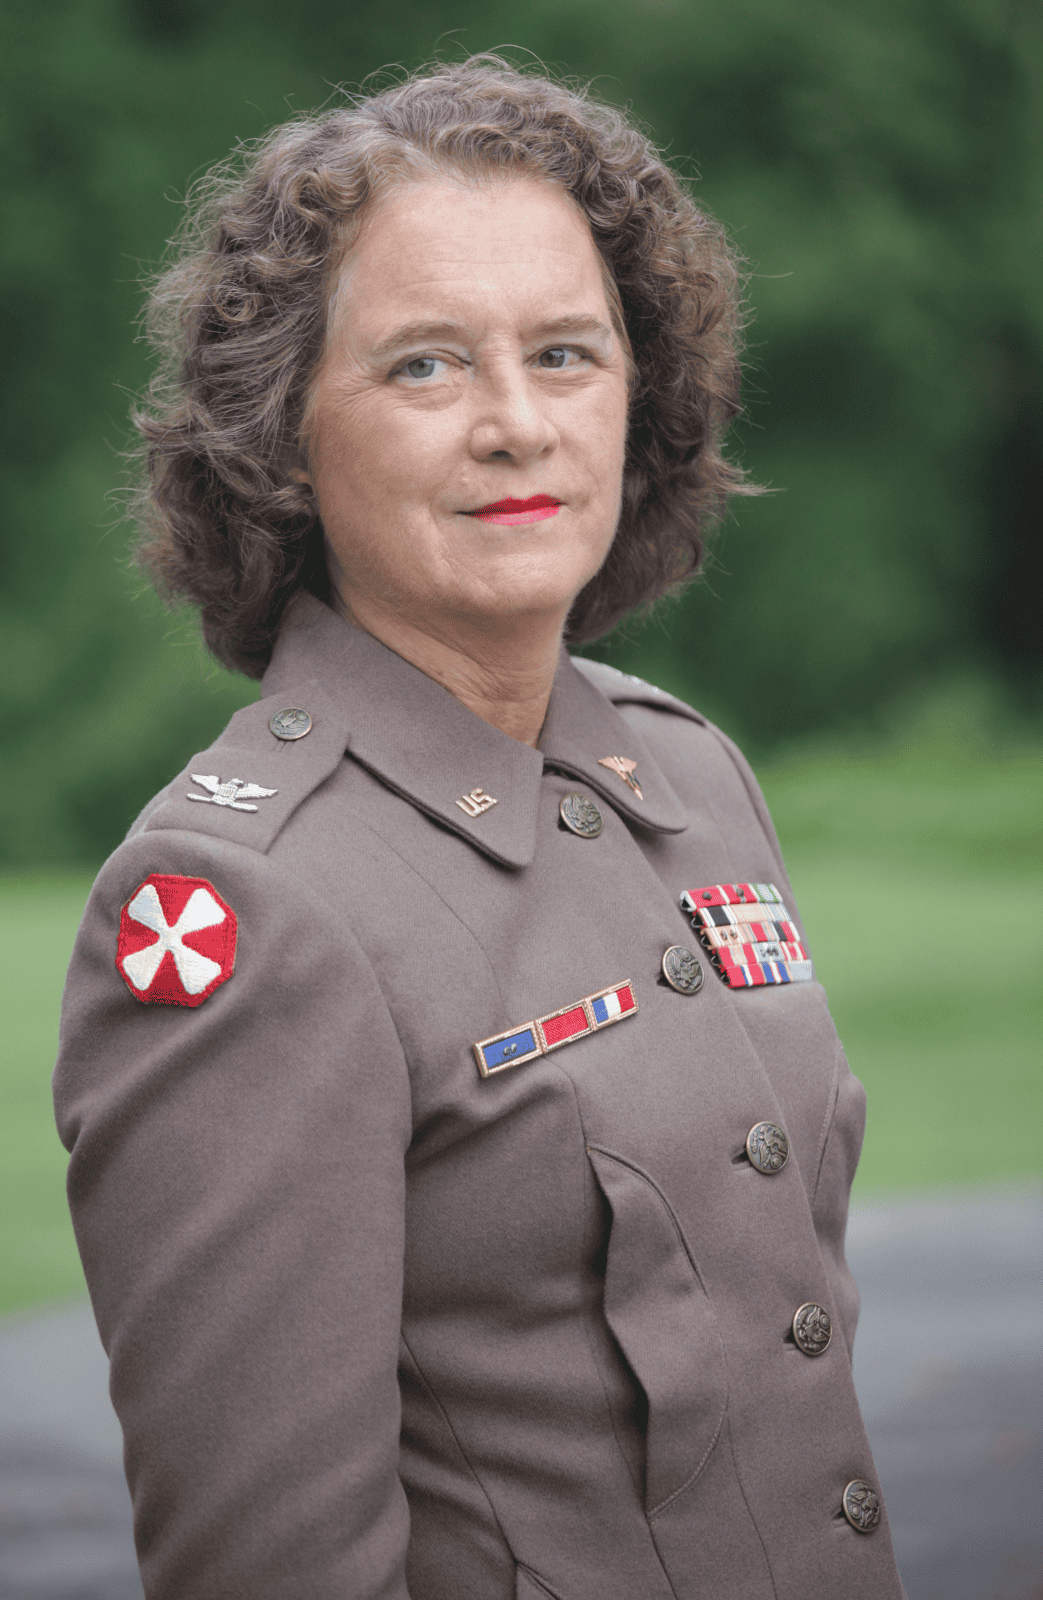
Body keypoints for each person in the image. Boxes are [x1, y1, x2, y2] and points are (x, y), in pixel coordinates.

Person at [53, 56, 906, 1600]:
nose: (516, 424)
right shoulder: (245, 902)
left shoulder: (691, 779)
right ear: (282, 438)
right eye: (425, 367)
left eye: (567, 353)